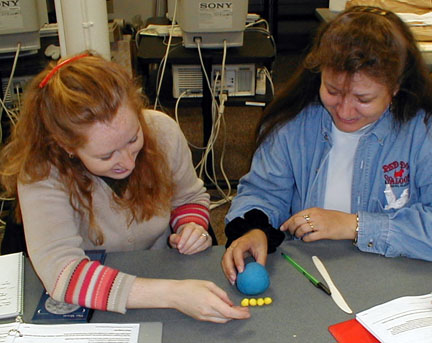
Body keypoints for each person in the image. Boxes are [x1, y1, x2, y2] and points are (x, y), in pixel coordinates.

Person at [0, 52, 250, 323]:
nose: (127, 162)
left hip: (162, 269)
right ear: (66, 146)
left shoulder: (162, 131)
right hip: (94, 289)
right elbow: (63, 274)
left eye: (133, 139)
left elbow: (188, 197)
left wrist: (191, 225)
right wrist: (173, 294)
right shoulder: (41, 171)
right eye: (106, 156)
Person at [221, 6, 432, 285]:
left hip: (398, 280)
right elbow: (264, 192)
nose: (344, 111)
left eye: (363, 99)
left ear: (395, 87)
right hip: (313, 274)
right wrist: (254, 230)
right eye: (332, 91)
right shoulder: (292, 122)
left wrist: (355, 225)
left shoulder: (422, 131)